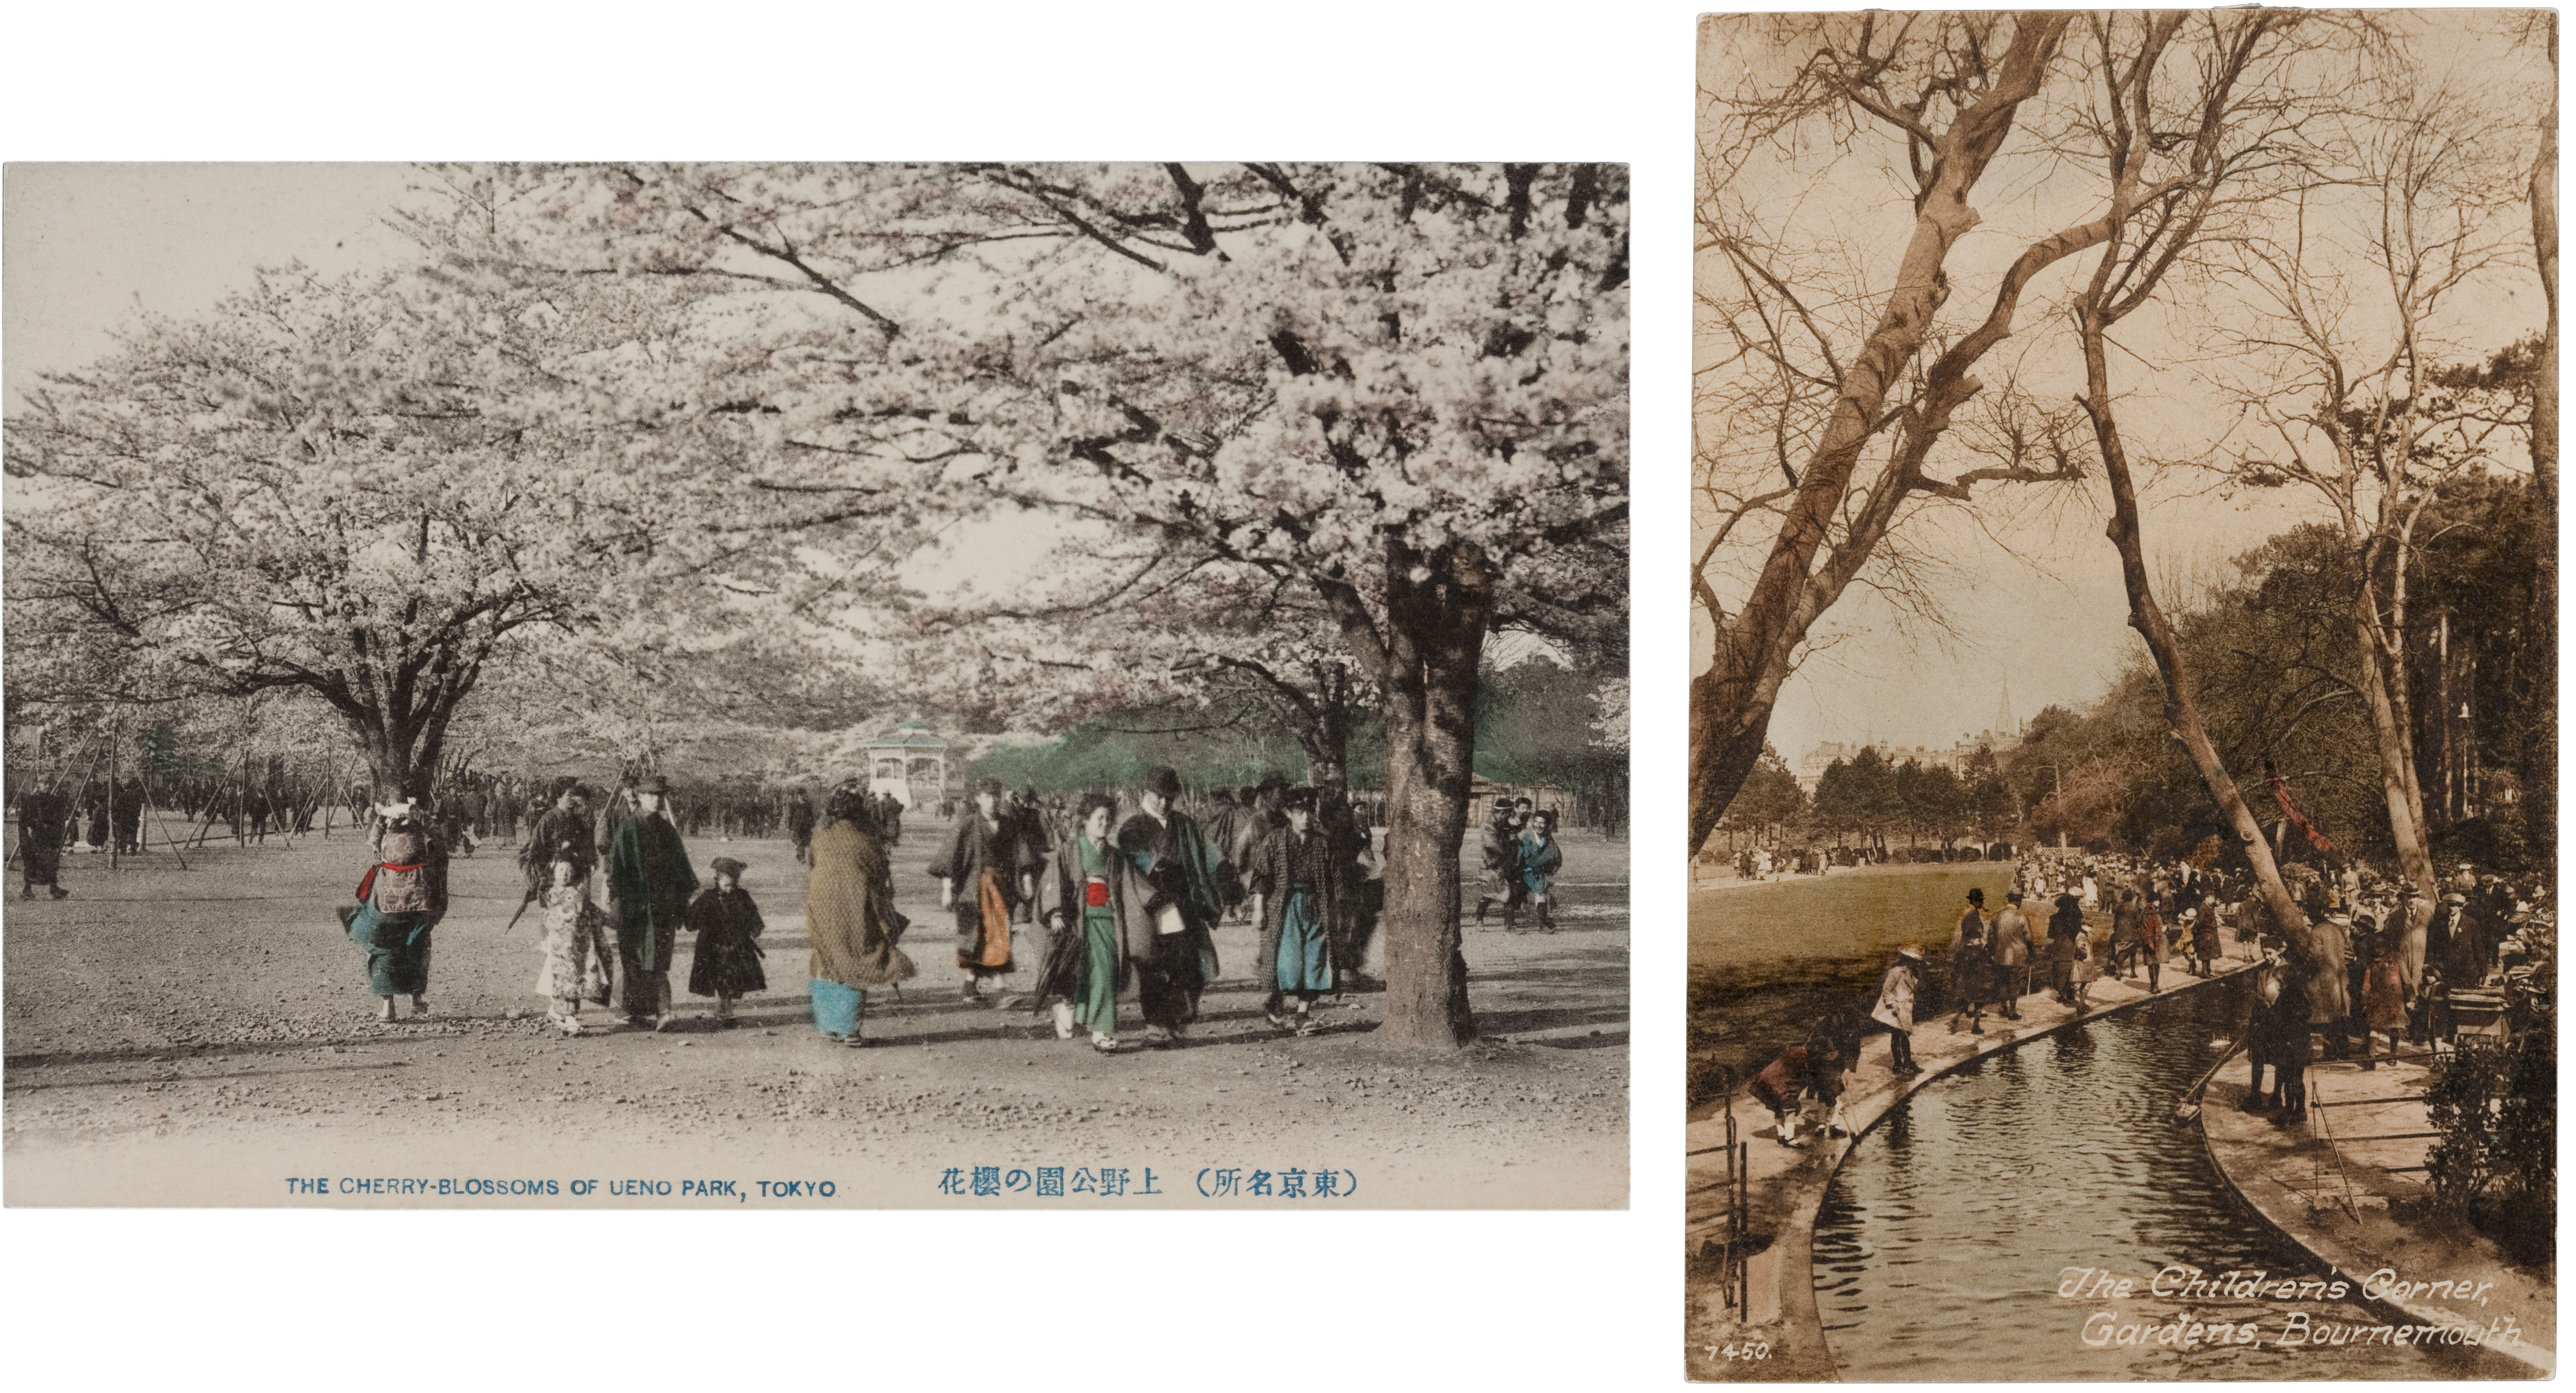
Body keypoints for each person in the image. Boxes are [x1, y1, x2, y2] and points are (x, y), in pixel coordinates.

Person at [1034, 792, 1158, 1052]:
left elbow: (1133, 884)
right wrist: (1055, 912)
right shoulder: (1069, 851)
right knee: (1083, 975)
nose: (1105, 823)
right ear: (1086, 821)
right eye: (1100, 818)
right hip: (1079, 923)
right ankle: (1074, 1014)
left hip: (1108, 922)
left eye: (1109, 818)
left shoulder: (1114, 856)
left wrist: (1155, 899)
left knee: (1106, 973)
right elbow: (1054, 882)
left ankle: (1101, 1029)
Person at [1115, 765, 1222, 1045]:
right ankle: (1155, 1025)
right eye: (1159, 797)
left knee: (1188, 963)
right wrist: (1155, 867)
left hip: (1184, 902)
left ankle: (1175, 1021)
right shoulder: (1132, 827)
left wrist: (1221, 869)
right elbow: (1134, 861)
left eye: (1170, 799)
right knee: (1153, 965)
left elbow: (1205, 853)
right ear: (1146, 793)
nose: (1164, 804)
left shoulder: (1184, 824)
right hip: (1150, 903)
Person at [804, 787, 916, 1046]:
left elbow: (813, 866)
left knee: (827, 956)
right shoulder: (866, 840)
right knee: (858, 958)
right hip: (856, 906)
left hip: (820, 904)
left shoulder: (819, 837)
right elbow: (881, 878)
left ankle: (828, 1025)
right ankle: (849, 1030)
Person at [346, 786, 450, 1023]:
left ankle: (388, 1006)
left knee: (385, 947)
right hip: (419, 897)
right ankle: (416, 1000)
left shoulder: (382, 836)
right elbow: (440, 853)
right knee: (418, 945)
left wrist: (382, 819)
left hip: (388, 898)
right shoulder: (425, 835)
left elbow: (373, 847)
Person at [1249, 786, 1344, 1035]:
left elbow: (1336, 881)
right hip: (1284, 907)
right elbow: (1262, 877)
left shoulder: (1323, 843)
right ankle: (1275, 1002)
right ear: (1289, 813)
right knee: (1288, 961)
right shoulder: (1276, 840)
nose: (1306, 818)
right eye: (1300, 813)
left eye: (1309, 812)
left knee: (1316, 959)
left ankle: (1303, 1015)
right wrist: (1259, 909)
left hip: (1316, 906)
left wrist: (1338, 912)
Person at [606, 774, 697, 1030]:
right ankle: (633, 1009)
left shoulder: (667, 829)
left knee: (657, 958)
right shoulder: (628, 828)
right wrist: (620, 904)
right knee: (634, 958)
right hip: (634, 905)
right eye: (650, 795)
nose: (656, 800)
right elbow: (615, 872)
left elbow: (682, 868)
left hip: (662, 906)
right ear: (639, 796)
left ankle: (664, 1010)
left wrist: (681, 900)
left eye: (659, 795)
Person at [931, 777, 1026, 1006]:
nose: (992, 801)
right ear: (978, 799)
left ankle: (970, 985)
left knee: (990, 935)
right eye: (986, 797)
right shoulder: (967, 824)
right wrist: (947, 889)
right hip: (973, 888)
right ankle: (1001, 989)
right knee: (988, 934)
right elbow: (950, 857)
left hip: (1000, 886)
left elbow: (1022, 856)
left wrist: (1027, 880)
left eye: (995, 796)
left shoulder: (1009, 824)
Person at [532, 850, 615, 1036]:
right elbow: (546, 918)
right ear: (554, 872)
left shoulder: (579, 894)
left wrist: (610, 921)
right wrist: (544, 939)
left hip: (580, 947)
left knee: (574, 980)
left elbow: (592, 912)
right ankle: (569, 1017)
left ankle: (557, 1011)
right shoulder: (551, 894)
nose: (565, 874)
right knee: (566, 981)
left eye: (568, 870)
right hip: (560, 948)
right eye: (561, 870)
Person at [686, 856, 767, 1027]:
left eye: (733, 885)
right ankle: (724, 1007)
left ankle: (726, 1008)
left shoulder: (742, 896)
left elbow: (753, 917)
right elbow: (691, 923)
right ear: (717, 880)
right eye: (726, 885)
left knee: (733, 979)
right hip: (712, 947)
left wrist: (755, 928)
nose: (730, 890)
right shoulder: (707, 898)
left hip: (737, 945)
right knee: (720, 978)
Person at [1860, 945, 1925, 1075]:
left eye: (1917, 960)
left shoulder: (1913, 972)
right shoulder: (1897, 972)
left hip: (1906, 1008)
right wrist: (1892, 1004)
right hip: (1896, 1008)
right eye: (1914, 960)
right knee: (1898, 1037)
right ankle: (1898, 1065)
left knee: (1905, 1037)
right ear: (1907, 959)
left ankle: (1907, 1062)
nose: (1917, 963)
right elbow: (1887, 990)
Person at [1510, 809, 1565, 932]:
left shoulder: (1548, 839)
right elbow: (1516, 855)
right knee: (1515, 897)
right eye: (1536, 822)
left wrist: (1548, 870)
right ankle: (1509, 922)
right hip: (1521, 872)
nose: (1538, 825)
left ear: (1547, 825)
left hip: (1535, 874)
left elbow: (1555, 856)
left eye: (1542, 823)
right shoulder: (1524, 836)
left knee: (1541, 893)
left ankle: (1543, 923)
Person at [1948, 888, 1993, 1034]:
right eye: (1980, 901)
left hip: (1965, 956)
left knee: (1967, 988)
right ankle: (1976, 1026)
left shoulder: (1967, 914)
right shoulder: (1973, 916)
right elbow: (1978, 938)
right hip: (1975, 957)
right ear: (1975, 901)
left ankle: (1957, 1016)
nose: (1981, 903)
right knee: (1980, 990)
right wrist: (1987, 947)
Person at [17, 787, 69, 899]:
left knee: (52, 862)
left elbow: (58, 819)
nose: (47, 786)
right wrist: (35, 827)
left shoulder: (54, 801)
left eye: (49, 784)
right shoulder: (31, 800)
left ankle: (54, 888)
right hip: (35, 838)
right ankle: (27, 890)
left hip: (49, 837)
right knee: (32, 864)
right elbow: (24, 821)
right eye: (44, 783)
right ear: (38, 785)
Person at [1471, 801, 1517, 925]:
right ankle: (1479, 921)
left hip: (1503, 865)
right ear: (1502, 813)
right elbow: (1494, 846)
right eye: (1508, 814)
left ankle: (1509, 925)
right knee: (1489, 895)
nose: (1509, 817)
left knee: (1509, 894)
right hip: (1491, 865)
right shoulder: (1489, 826)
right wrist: (1509, 842)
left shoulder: (1503, 823)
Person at [1990, 891, 2031, 1019]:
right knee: (2014, 983)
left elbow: (1991, 937)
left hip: (2000, 956)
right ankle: (2013, 1011)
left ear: (2008, 900)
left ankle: (2004, 1007)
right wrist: (2032, 954)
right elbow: (2028, 938)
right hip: (2017, 957)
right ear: (2019, 901)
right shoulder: (2021, 918)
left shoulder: (1996, 917)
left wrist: (1993, 953)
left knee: (2002, 982)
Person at [2041, 892, 2084, 1003]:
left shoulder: (2054, 918)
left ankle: (2061, 993)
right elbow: (2077, 932)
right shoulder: (2075, 918)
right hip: (2070, 945)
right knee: (2070, 969)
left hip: (2058, 945)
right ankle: (2068, 993)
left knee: (2059, 969)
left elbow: (2051, 935)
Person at [785, 790, 816, 865]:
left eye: (804, 795)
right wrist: (789, 827)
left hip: (806, 826)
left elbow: (811, 815)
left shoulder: (808, 804)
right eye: (801, 795)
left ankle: (799, 855)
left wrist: (812, 824)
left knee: (807, 841)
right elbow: (791, 816)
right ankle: (802, 858)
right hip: (797, 826)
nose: (803, 796)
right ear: (798, 795)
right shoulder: (794, 804)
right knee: (800, 842)